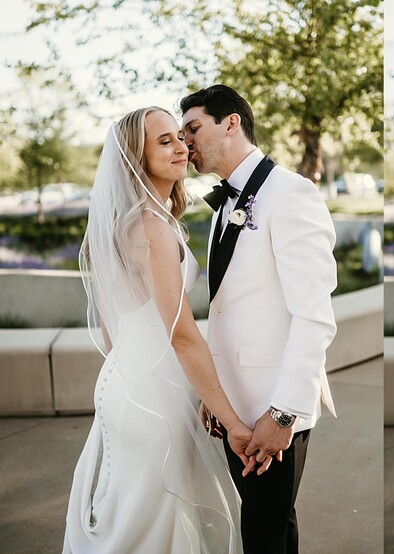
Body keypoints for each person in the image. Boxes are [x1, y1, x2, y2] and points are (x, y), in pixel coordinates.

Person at [63, 106, 260, 553]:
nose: (181, 147)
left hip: (125, 382)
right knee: (151, 524)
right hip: (152, 397)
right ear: (137, 156)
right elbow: (182, 334)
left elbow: (114, 329)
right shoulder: (152, 228)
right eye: (165, 141)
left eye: (181, 137)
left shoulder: (131, 221)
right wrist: (232, 421)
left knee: (131, 517)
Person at [180, 85, 337, 554]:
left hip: (274, 403)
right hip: (234, 405)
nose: (186, 142)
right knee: (270, 528)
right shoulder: (223, 205)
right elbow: (228, 306)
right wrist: (215, 391)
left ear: (231, 122)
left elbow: (314, 317)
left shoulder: (291, 193)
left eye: (193, 128)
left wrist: (283, 413)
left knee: (264, 533)